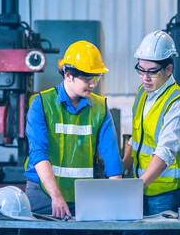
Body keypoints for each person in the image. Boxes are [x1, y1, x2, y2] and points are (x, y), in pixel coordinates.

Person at [24, 40, 123, 220]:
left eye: (97, 77)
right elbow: (38, 153)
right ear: (68, 74)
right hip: (43, 192)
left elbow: (111, 157)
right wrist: (56, 196)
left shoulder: (100, 108)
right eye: (87, 79)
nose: (93, 84)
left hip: (83, 195)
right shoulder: (41, 104)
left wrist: (115, 199)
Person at [123, 30, 180, 217]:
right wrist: (122, 167)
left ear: (168, 70)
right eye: (141, 70)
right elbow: (137, 137)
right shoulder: (143, 92)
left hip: (168, 192)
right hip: (144, 187)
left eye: (152, 72)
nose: (145, 78)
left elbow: (165, 152)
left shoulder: (178, 105)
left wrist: (137, 186)